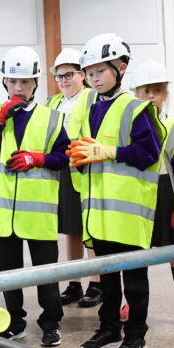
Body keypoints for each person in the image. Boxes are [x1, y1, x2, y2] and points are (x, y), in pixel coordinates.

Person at [67, 33, 165, 348]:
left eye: (100, 72)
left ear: (121, 69)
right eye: (89, 73)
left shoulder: (138, 109)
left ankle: (136, 335)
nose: (94, 79)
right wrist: (80, 159)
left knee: (134, 280)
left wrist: (106, 151)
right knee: (107, 279)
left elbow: (149, 154)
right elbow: (89, 153)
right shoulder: (91, 108)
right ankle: (109, 329)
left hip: (128, 214)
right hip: (99, 213)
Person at [0, 47, 70, 346]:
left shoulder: (52, 118)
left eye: (25, 82)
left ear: (35, 83)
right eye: (13, 82)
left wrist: (38, 159)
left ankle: (51, 323)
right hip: (5, 213)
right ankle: (14, 321)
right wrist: (0, 121)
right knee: (9, 274)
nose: (18, 88)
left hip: (39, 212)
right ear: (5, 82)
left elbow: (63, 157)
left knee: (46, 274)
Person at [122, 60, 174, 329]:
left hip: (167, 194)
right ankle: (131, 303)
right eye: (145, 91)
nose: (151, 96)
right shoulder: (130, 127)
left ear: (165, 93)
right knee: (136, 253)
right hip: (138, 195)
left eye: (157, 90)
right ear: (136, 95)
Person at [47, 49, 103, 309]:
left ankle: (97, 282)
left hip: (87, 169)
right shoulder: (53, 103)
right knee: (71, 230)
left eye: (69, 74)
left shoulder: (93, 96)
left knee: (90, 229)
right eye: (59, 77)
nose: (64, 80)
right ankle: (74, 283)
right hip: (64, 171)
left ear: (82, 75)